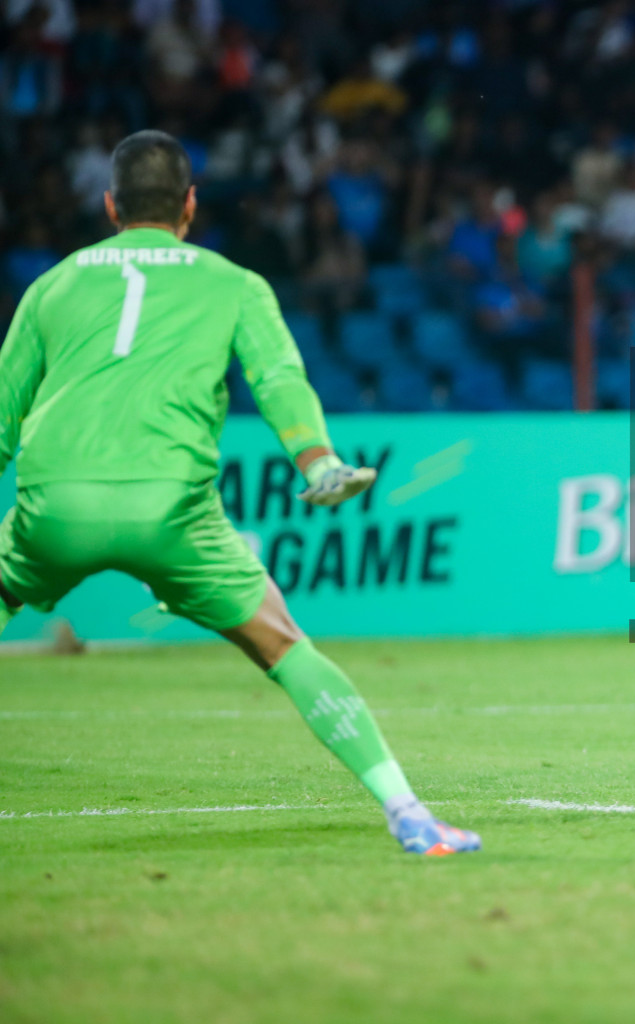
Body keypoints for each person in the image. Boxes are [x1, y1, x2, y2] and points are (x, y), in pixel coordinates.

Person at [0, 131, 480, 856]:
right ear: (191, 204)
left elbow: (4, 414)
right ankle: (408, 813)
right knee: (285, 646)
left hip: (53, 503)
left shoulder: (52, 284)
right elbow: (280, 380)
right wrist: (316, 460)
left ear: (109, 207)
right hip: (171, 511)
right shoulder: (232, 282)